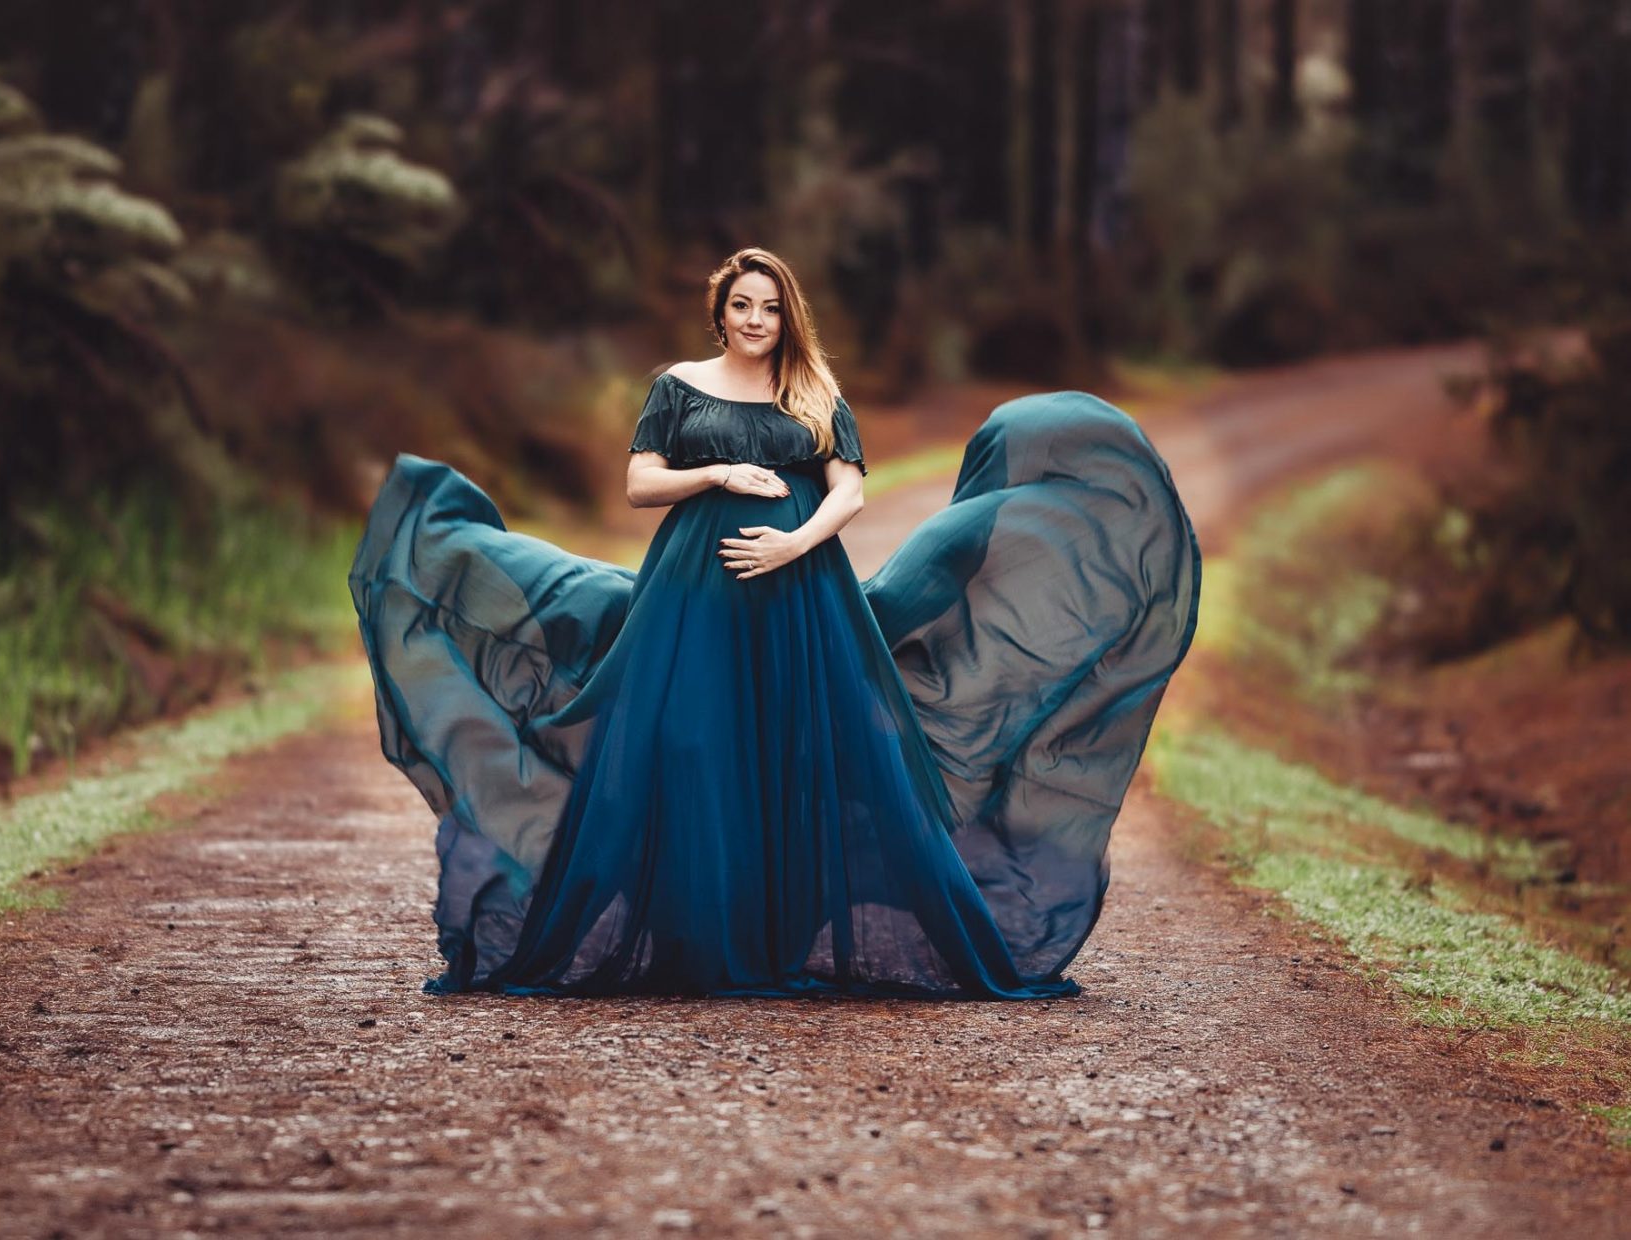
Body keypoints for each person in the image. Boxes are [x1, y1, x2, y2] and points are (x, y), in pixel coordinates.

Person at [348, 246, 1201, 1000]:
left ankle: (789, 938)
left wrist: (795, 544)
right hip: (696, 585)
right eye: (741, 306)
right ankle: (695, 938)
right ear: (719, 313)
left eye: (770, 307)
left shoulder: (814, 390)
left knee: (804, 745)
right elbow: (642, 484)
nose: (756, 320)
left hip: (803, 589)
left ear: (788, 314)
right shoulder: (678, 387)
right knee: (689, 741)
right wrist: (717, 473)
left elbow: (850, 490)